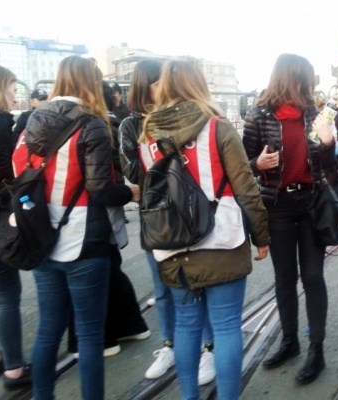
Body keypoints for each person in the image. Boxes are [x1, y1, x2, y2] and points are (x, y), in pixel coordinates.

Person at [139, 58, 270, 400]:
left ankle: (188, 397)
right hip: (221, 239)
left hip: (172, 244)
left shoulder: (147, 135)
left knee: (186, 325)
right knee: (226, 327)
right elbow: (246, 188)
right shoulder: (218, 127)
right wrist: (261, 236)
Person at [12, 55, 138, 399]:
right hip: (85, 240)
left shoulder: (30, 120)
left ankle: (42, 396)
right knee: (90, 334)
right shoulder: (92, 124)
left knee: (48, 330)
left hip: (39, 237)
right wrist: (130, 191)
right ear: (90, 83)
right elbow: (100, 189)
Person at [119, 58, 216, 385]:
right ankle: (170, 345)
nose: (165, 85)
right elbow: (133, 172)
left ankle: (210, 348)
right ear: (146, 84)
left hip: (189, 212)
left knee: (197, 284)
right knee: (163, 289)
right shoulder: (131, 126)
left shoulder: (183, 115)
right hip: (156, 216)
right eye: (159, 80)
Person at [242, 53, 336, 385]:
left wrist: (328, 143)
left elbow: (330, 169)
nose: (313, 85)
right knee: (284, 279)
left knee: (313, 278)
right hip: (278, 205)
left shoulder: (316, 114)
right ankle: (290, 341)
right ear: (294, 78)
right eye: (309, 78)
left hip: (310, 203)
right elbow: (242, 161)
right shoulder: (258, 116)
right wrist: (258, 164)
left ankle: (316, 349)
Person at [65, 81, 151, 359]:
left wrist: (125, 192)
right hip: (97, 213)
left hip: (84, 214)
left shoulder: (94, 125)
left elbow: (100, 183)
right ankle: (129, 324)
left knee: (92, 275)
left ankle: (100, 337)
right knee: (109, 268)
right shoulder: (106, 123)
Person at [0, 64, 32, 390]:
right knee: (7, 295)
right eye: (11, 87)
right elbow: (8, 177)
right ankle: (14, 369)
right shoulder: (1, 127)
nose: (14, 94)